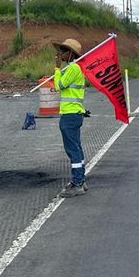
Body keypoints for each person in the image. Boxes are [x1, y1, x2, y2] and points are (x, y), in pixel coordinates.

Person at [53, 38, 88, 197]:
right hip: (74, 113)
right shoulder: (73, 68)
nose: (60, 54)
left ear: (71, 54)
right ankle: (80, 179)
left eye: (63, 51)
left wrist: (56, 68)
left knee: (72, 149)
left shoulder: (73, 68)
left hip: (70, 114)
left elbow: (58, 86)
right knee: (76, 148)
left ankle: (77, 183)